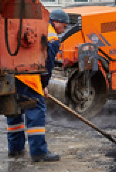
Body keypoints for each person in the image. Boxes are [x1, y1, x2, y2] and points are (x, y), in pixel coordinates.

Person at [7, 9, 69, 162]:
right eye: (65, 26)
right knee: (36, 110)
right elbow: (47, 64)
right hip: (30, 78)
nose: (64, 30)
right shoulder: (52, 36)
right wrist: (43, 85)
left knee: (15, 111)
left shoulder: (32, 25)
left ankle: (15, 149)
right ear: (57, 22)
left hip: (13, 75)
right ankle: (39, 152)